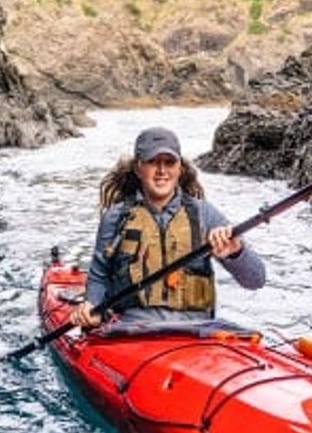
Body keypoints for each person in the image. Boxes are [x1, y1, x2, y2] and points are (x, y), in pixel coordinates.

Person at [71, 125, 265, 330]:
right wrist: (92, 308)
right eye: (152, 162)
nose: (162, 171)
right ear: (138, 168)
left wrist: (235, 251)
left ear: (179, 168)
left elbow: (256, 280)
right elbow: (99, 276)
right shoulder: (116, 217)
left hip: (197, 331)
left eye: (169, 162)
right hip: (130, 332)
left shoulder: (204, 214)